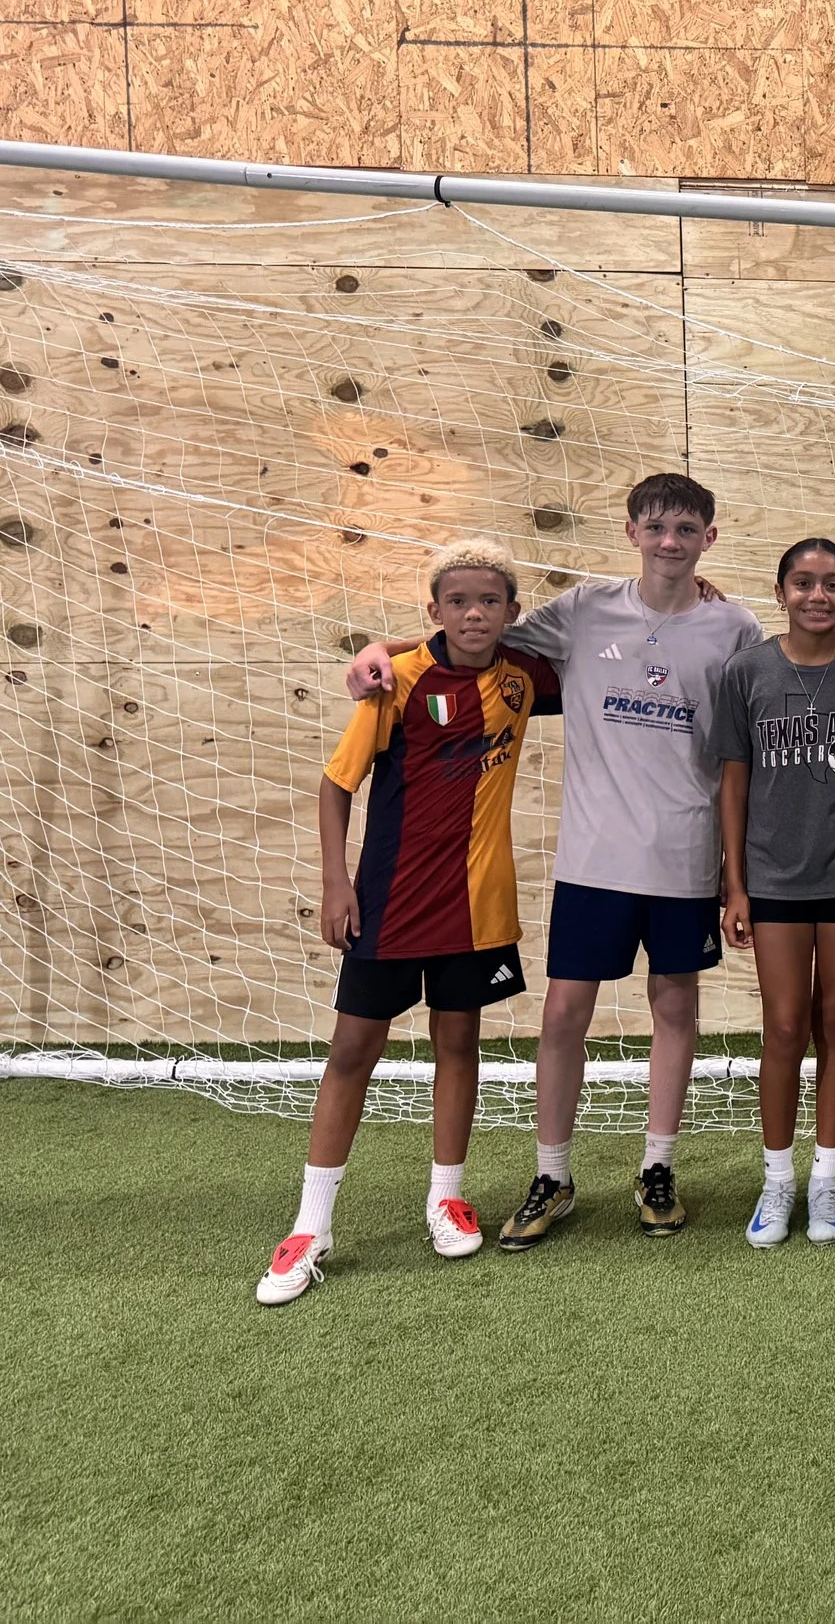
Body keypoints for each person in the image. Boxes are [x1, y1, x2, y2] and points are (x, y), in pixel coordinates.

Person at [346, 474, 762, 1247]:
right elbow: (475, 640)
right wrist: (386, 647)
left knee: (675, 1008)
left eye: (685, 528)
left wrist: (738, 877)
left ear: (709, 536)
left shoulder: (735, 627)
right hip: (593, 861)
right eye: (655, 525)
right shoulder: (582, 612)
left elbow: (741, 754)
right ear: (631, 529)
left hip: (685, 857)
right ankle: (553, 1172)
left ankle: (658, 1166)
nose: (669, 541)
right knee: (564, 1014)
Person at [259, 542, 561, 1305]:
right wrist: (336, 884)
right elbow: (336, 785)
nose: (473, 613)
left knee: (458, 1043)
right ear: (432, 611)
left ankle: (446, 1195)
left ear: (511, 611)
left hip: (478, 907)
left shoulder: (525, 679)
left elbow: (614, 650)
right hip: (387, 903)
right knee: (353, 1049)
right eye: (456, 600)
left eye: (488, 600)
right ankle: (311, 1222)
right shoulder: (395, 683)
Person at [716, 538, 835, 1248]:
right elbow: (732, 781)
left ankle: (826, 1177)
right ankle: (778, 1178)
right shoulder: (747, 671)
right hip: (773, 877)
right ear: (782, 589)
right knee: (784, 1025)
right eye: (804, 582)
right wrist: (734, 883)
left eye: (832, 584)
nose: (818, 595)